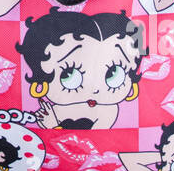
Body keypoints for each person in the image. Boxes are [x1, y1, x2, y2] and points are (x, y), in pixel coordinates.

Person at [16, 8, 144, 130]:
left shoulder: (108, 110)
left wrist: (52, 125)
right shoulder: (55, 110)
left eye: (113, 74)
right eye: (69, 75)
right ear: (42, 77)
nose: (95, 89)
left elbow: (96, 140)